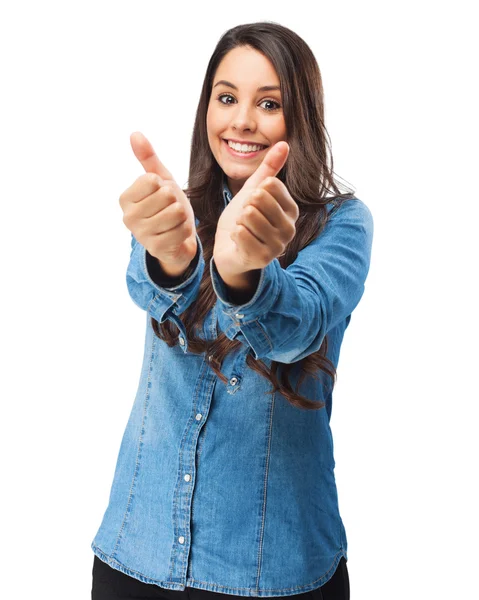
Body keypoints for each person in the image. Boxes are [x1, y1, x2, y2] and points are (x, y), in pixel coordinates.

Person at [91, 21, 373, 600]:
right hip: (136, 553)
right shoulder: (174, 209)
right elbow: (148, 293)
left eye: (268, 103)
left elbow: (296, 326)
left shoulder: (344, 224)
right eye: (226, 97)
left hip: (273, 569)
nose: (241, 120)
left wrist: (243, 274)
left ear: (301, 118)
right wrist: (171, 256)